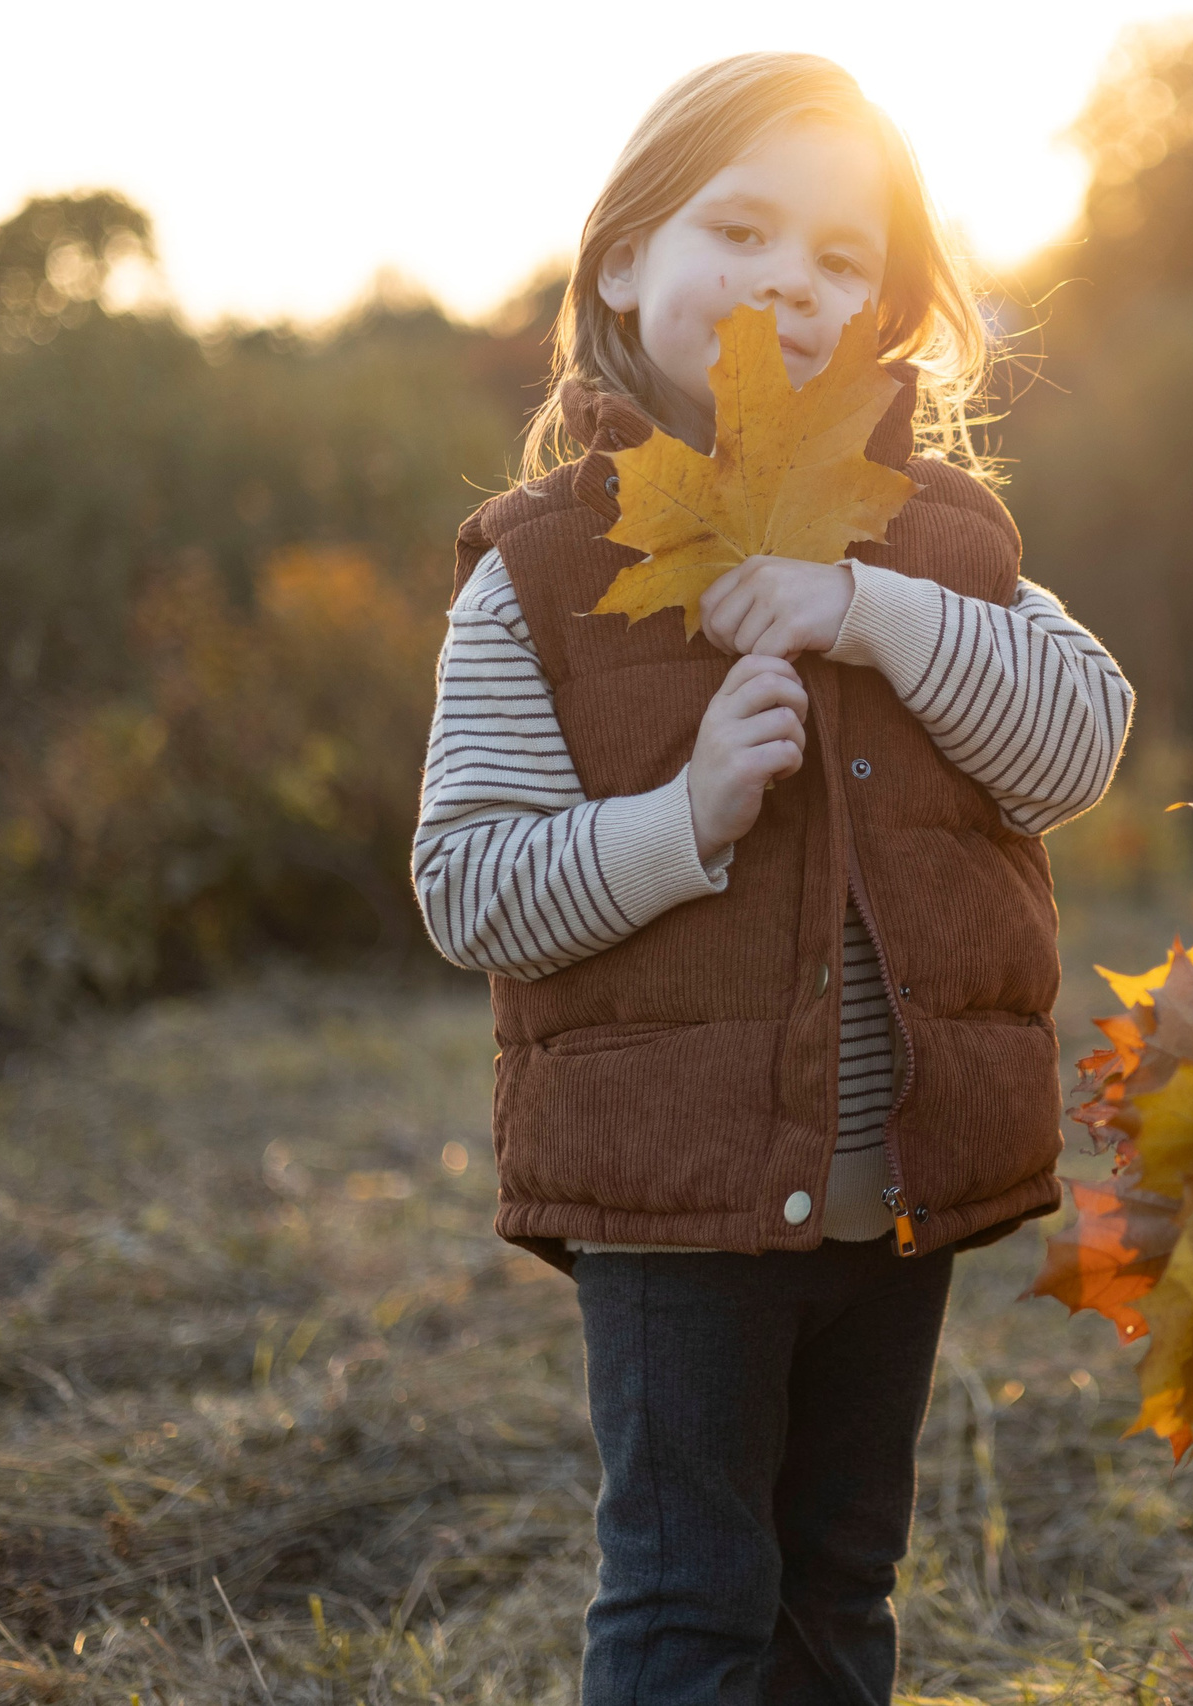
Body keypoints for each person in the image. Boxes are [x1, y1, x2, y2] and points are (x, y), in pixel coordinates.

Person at [408, 53, 1131, 1706]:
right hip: (676, 1190)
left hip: (905, 1175)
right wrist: (684, 822)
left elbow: (1077, 741)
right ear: (623, 261)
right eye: (739, 229)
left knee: (839, 1585)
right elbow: (468, 882)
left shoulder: (939, 535)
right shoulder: (540, 573)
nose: (789, 283)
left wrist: (865, 610)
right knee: (687, 1590)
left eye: (840, 256)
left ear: (886, 305)